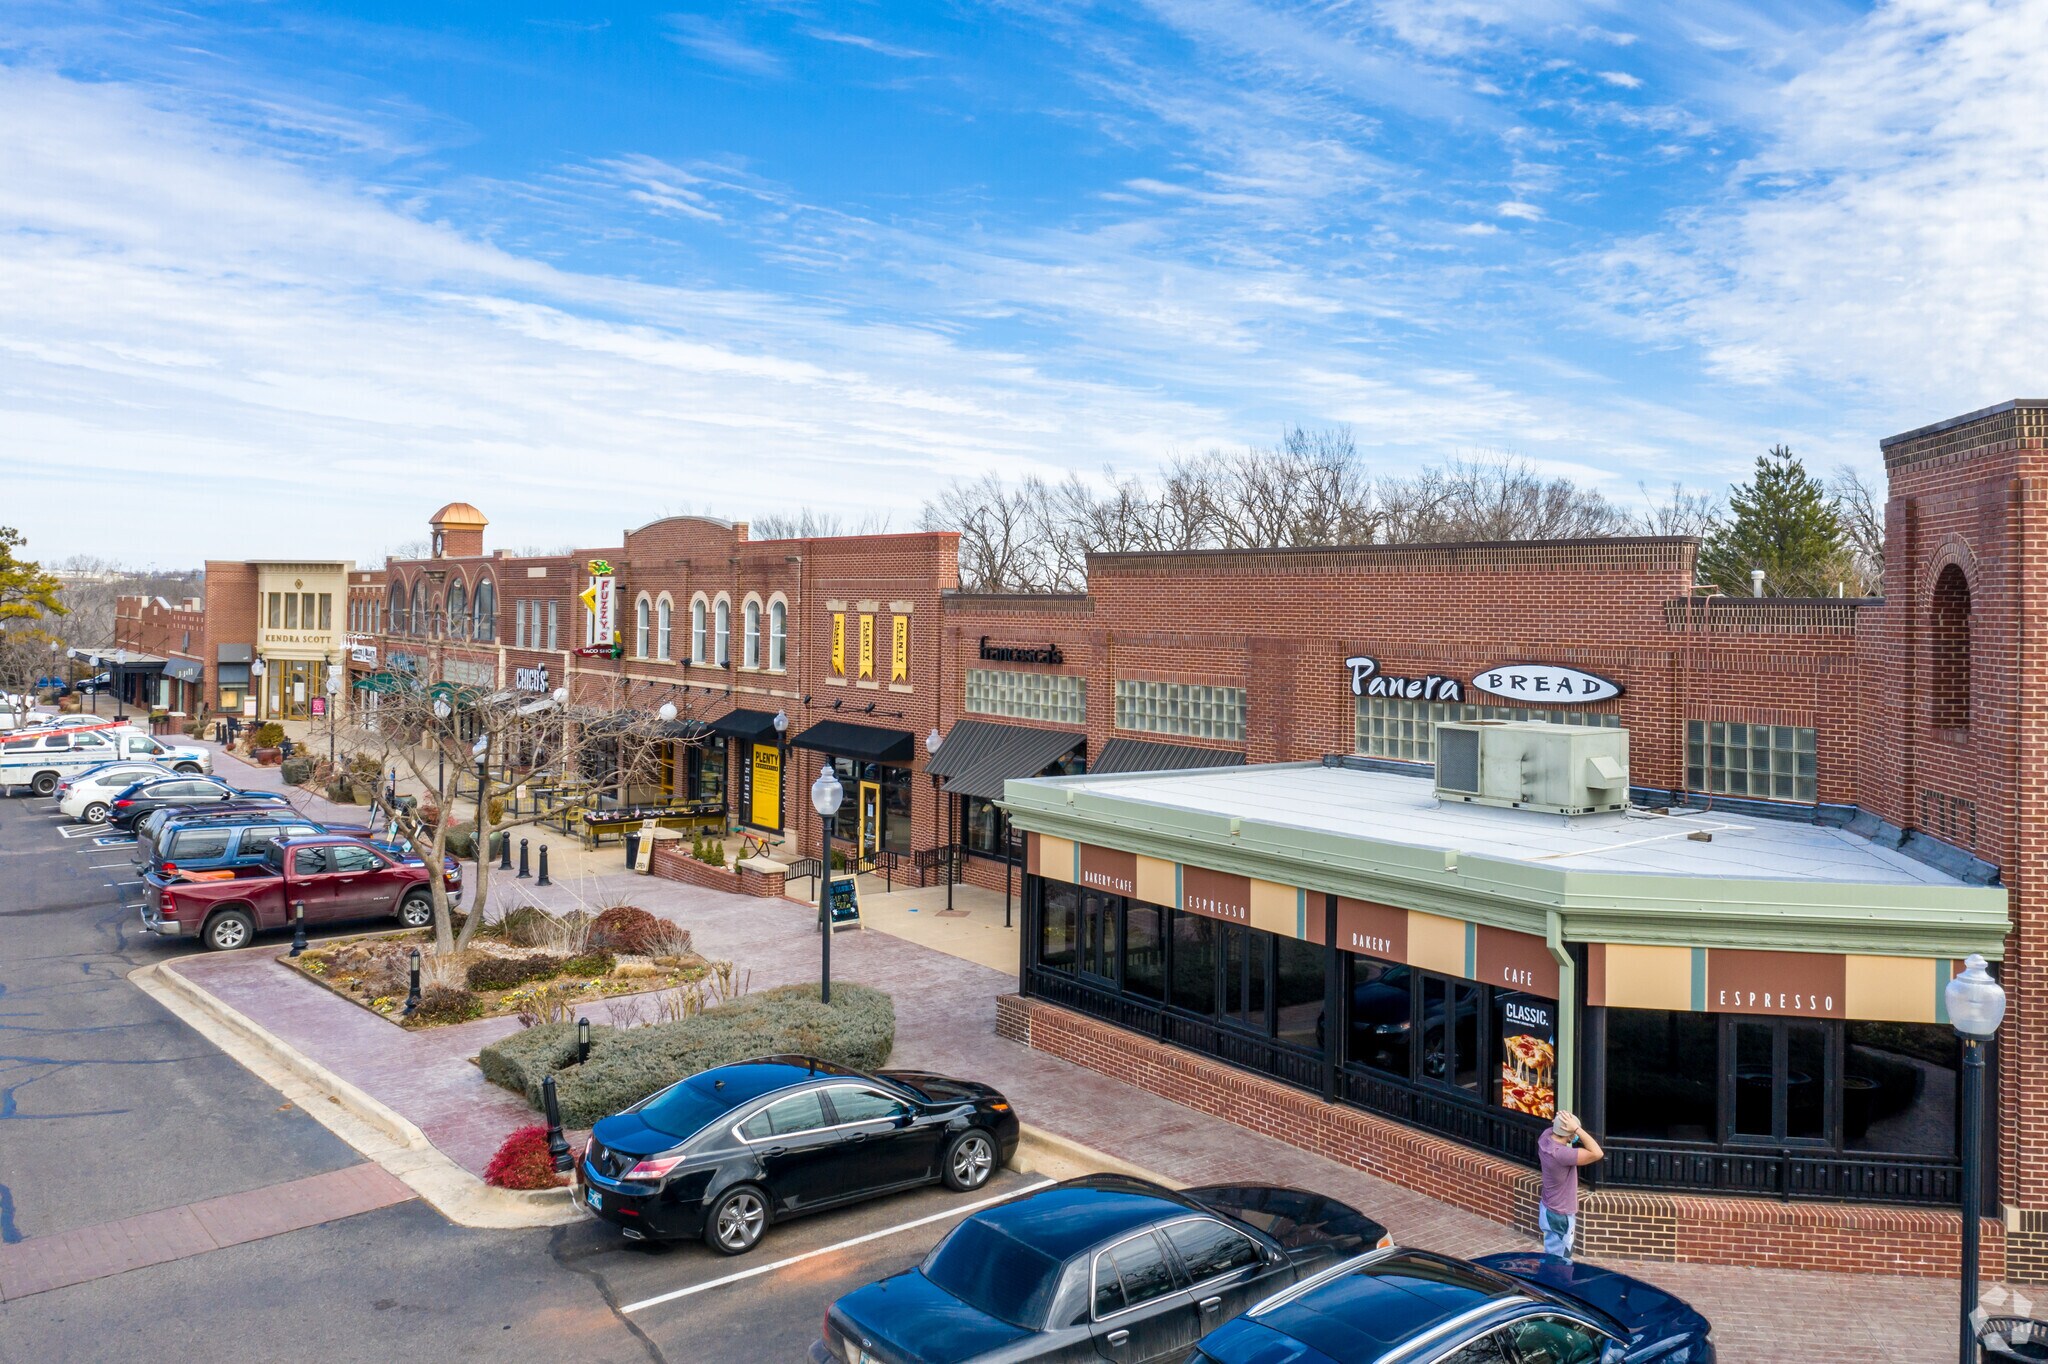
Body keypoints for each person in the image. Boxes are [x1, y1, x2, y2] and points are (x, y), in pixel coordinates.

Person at [1536, 1110, 1603, 1260]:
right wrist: (1577, 1129)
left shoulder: (1544, 1139)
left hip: (1548, 1208)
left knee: (1552, 1252)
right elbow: (1597, 1153)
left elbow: (1555, 1130)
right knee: (1559, 1260)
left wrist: (1561, 1121)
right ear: (1570, 1133)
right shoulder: (1561, 1154)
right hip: (1560, 1215)